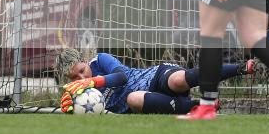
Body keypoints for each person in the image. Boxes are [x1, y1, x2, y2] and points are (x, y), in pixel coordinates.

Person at [56, 48, 252, 115]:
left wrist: (92, 82)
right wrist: (71, 109)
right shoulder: (76, 91)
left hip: (156, 76)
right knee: (133, 99)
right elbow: (84, 111)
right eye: (74, 77)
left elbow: (121, 77)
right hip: (148, 100)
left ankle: (240, 68)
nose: (81, 78)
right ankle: (197, 106)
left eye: (82, 71)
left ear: (84, 60)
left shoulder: (100, 60)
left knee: (177, 80)